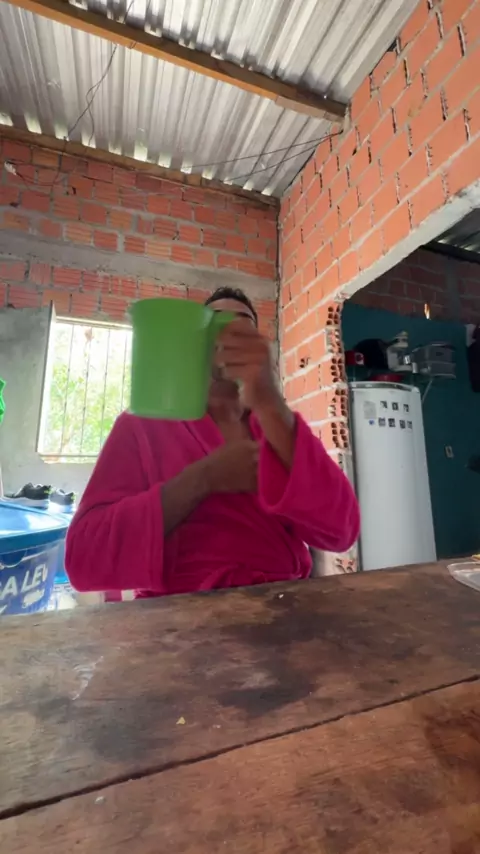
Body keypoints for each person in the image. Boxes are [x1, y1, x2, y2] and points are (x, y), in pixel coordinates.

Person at [66, 287, 359, 597]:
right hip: (176, 613)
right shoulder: (143, 424)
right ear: (194, 345)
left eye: (242, 327)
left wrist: (270, 401)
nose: (228, 337)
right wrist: (204, 478)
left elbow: (342, 531)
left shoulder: (276, 428)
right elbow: (83, 559)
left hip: (280, 602)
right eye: (215, 324)